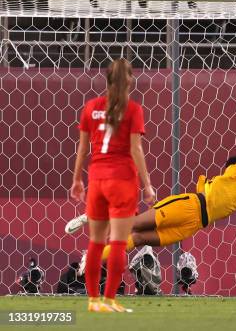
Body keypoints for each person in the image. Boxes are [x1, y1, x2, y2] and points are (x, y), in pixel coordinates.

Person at [67, 145, 236, 263]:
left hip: (194, 224)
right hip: (188, 205)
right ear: (231, 167)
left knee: (140, 238)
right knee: (134, 222)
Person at [70, 58, 155, 313]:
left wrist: (76, 180)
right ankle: (110, 300)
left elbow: (83, 148)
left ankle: (93, 300)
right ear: (129, 80)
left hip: (97, 179)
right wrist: (148, 185)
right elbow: (135, 148)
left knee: (95, 243)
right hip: (123, 181)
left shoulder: (91, 108)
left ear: (106, 79)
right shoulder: (132, 109)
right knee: (117, 243)